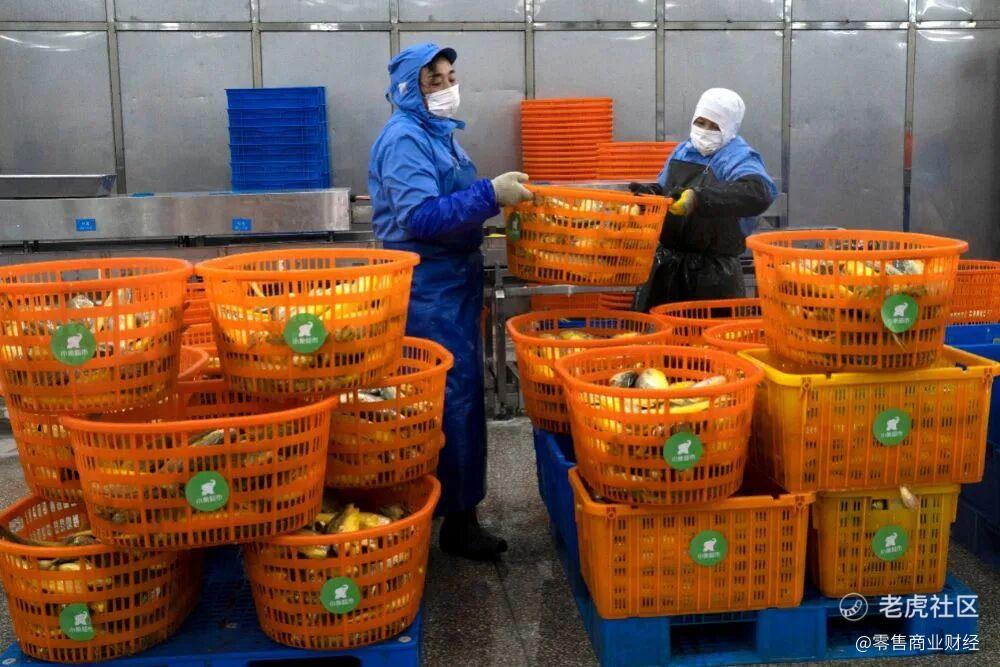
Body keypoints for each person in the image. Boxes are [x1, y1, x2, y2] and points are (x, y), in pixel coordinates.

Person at [368, 42, 533, 561]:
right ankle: (449, 519)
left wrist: (493, 200)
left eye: (450, 77)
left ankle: (453, 511)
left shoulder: (438, 134)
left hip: (452, 281)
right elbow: (420, 216)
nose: (446, 87)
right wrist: (489, 195)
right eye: (433, 80)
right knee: (446, 398)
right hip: (427, 286)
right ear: (407, 90)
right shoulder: (404, 139)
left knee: (458, 397)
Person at [632, 88, 777, 311]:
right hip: (666, 268)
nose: (705, 130)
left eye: (714, 126)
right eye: (700, 122)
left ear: (729, 127)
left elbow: (759, 192)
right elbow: (664, 190)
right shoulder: (683, 150)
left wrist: (699, 199)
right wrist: (650, 195)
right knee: (658, 331)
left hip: (714, 278)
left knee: (706, 333)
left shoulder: (737, 156)